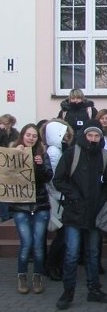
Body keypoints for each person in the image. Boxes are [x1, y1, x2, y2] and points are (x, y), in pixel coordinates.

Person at [53, 122, 107, 310]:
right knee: (72, 253)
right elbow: (59, 179)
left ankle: (94, 289)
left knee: (93, 253)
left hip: (95, 212)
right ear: (84, 136)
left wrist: (102, 199)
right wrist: (74, 197)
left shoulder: (105, 156)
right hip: (74, 211)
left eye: (97, 136)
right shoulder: (72, 154)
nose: (93, 139)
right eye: (90, 136)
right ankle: (68, 291)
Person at [10, 124, 53, 294]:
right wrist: (17, 155)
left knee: (38, 245)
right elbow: (7, 177)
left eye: (34, 136)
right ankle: (22, 276)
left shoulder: (42, 154)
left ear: (38, 139)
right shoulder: (13, 151)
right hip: (20, 205)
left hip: (40, 204)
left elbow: (48, 177)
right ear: (23, 135)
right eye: (28, 135)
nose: (31, 138)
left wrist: (41, 165)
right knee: (26, 243)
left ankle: (37, 277)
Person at [43, 119, 74, 281]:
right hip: (59, 198)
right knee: (62, 235)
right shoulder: (54, 152)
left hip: (59, 196)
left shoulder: (56, 149)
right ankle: (52, 265)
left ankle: (55, 265)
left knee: (63, 235)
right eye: (64, 132)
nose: (67, 135)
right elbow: (55, 178)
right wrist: (63, 194)